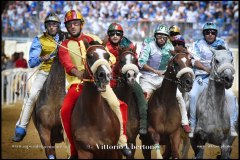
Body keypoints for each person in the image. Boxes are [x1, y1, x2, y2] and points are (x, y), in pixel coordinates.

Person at [58, 10, 132, 158]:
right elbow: (67, 64)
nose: (73, 26)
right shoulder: (64, 45)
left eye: (76, 23)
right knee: (64, 111)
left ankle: (122, 142)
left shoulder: (93, 38)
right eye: (70, 24)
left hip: (99, 81)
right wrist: (80, 74)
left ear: (81, 24)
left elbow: (108, 56)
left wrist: (106, 64)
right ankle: (72, 150)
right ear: (66, 27)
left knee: (117, 104)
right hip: (77, 84)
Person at [12, 12, 68, 142]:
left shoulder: (65, 37)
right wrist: (41, 58)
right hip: (44, 73)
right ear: (46, 26)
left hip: (65, 73)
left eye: (54, 24)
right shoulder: (39, 39)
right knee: (31, 96)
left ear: (58, 26)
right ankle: (21, 127)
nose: (52, 27)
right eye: (49, 25)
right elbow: (31, 62)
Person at [138, 24, 191, 133]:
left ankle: (185, 122)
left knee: (179, 96)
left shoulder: (170, 47)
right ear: (155, 36)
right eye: (159, 36)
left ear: (167, 38)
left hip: (163, 78)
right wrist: (154, 71)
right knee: (144, 97)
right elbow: (141, 62)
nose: (162, 39)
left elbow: (176, 60)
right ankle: (143, 123)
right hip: (148, 78)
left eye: (164, 37)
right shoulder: (148, 44)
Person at [188, 22, 239, 138]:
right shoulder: (197, 44)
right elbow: (193, 61)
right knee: (192, 95)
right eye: (207, 32)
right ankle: (192, 124)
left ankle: (232, 125)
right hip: (202, 78)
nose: (210, 34)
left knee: (232, 97)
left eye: (213, 32)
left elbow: (229, 59)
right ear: (204, 34)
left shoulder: (222, 43)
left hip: (220, 80)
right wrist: (206, 69)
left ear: (216, 34)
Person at [105, 22, 148, 135]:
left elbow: (136, 62)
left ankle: (144, 124)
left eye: (118, 34)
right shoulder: (104, 45)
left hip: (127, 77)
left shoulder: (130, 45)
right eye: (112, 34)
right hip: (109, 78)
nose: (115, 36)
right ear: (109, 35)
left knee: (140, 94)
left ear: (121, 35)